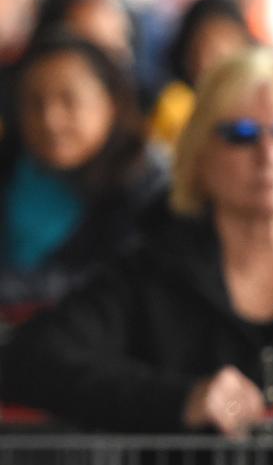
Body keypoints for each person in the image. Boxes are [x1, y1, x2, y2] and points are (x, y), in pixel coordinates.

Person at [2, 46, 273, 436]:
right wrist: (181, 399)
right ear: (200, 155)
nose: (269, 155)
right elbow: (28, 360)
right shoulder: (153, 270)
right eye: (241, 135)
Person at [0, 34, 164, 314]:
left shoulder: (148, 183)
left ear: (110, 102)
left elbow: (113, 281)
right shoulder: (11, 162)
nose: (50, 120)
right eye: (35, 102)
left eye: (69, 100)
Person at [149, 0, 255, 147]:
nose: (219, 61)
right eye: (208, 48)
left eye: (227, 48)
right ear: (187, 53)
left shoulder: (255, 104)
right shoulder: (175, 106)